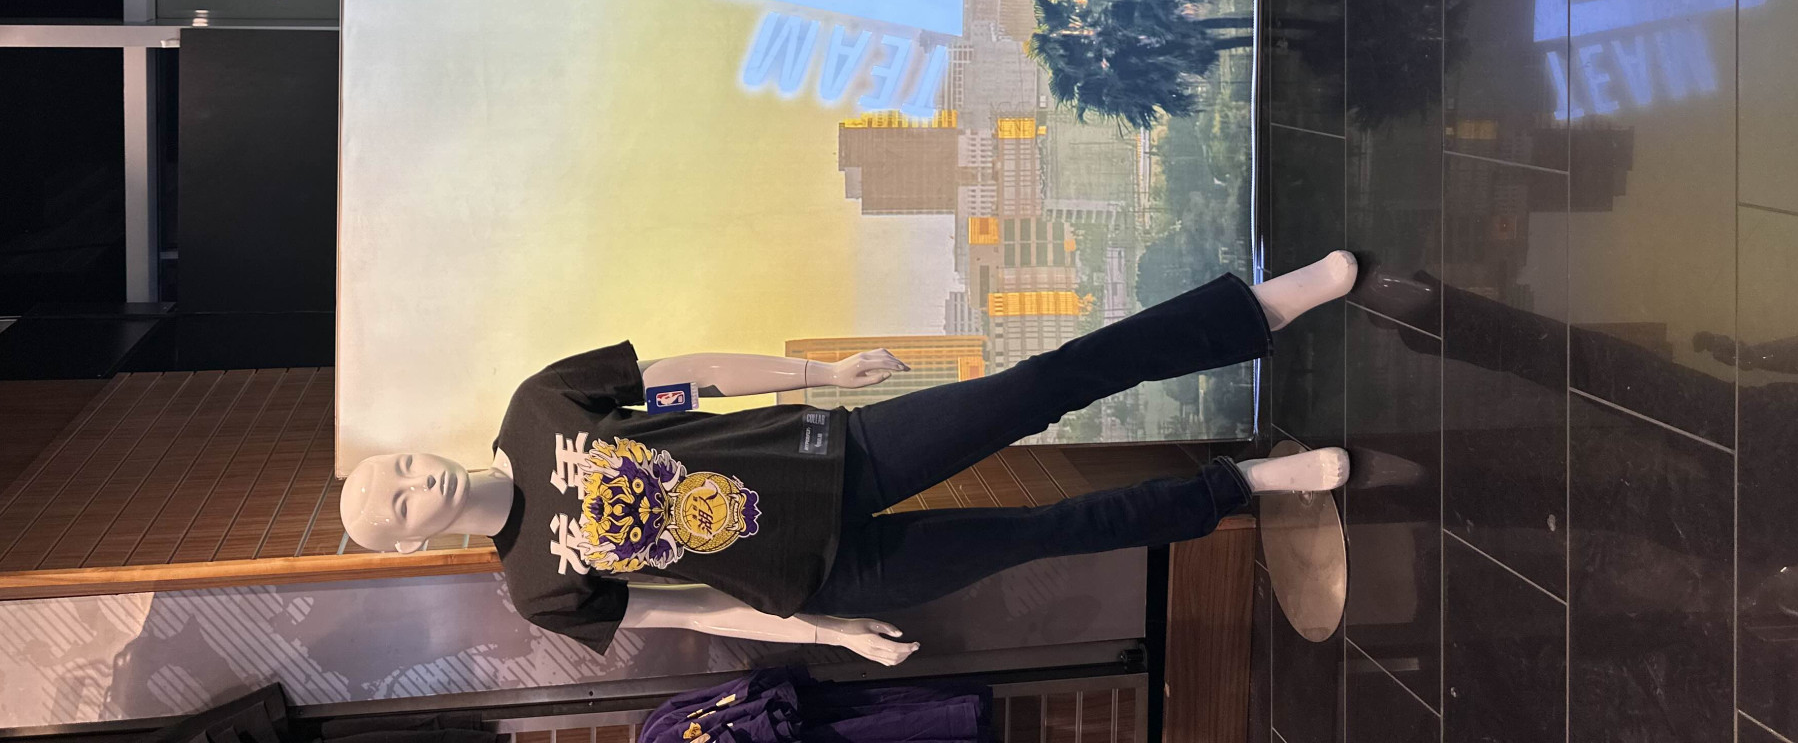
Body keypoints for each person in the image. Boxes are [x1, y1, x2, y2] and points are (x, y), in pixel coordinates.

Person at [339, 251, 1360, 664]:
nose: (413, 485)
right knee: (1043, 532)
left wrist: (819, 374)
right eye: (397, 506)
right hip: (828, 574)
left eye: (398, 468)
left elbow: (689, 375)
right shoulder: (539, 592)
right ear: (408, 544)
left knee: (1044, 382)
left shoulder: (538, 407)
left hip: (838, 453)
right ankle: (1240, 486)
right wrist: (828, 633)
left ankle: (1256, 311)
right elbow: (691, 608)